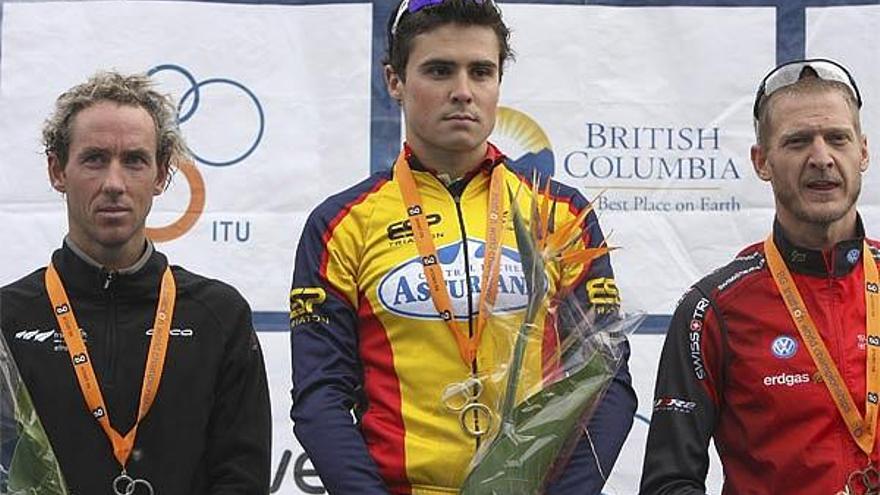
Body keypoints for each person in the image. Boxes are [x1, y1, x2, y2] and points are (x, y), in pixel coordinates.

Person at [289, 1, 636, 493]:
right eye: (438, 70)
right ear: (394, 81)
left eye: (481, 71)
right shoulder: (341, 223)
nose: (463, 92)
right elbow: (320, 395)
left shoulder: (561, 212)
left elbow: (608, 382)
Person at [0, 71, 272, 494]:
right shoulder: (9, 317)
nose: (114, 183)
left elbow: (242, 478)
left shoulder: (218, 314)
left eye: (134, 160)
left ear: (162, 174)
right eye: (94, 158)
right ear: (58, 170)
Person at [640, 58, 877, 495]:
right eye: (798, 141)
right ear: (761, 160)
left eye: (837, 139)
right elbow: (668, 485)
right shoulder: (712, 310)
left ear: (862, 152)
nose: (821, 158)